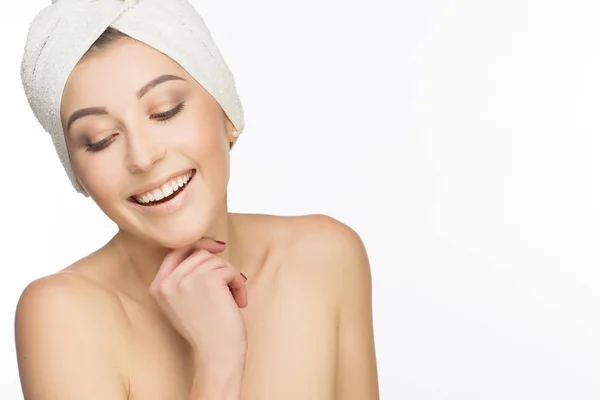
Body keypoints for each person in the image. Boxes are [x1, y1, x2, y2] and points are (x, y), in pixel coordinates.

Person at [15, 1, 379, 399]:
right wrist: (219, 361)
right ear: (77, 173)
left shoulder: (324, 257)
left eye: (165, 112)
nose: (143, 157)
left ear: (228, 115)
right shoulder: (61, 315)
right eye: (100, 139)